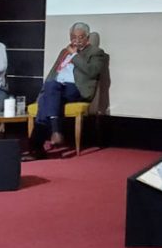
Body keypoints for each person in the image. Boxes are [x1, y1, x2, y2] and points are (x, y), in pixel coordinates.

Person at [27, 22, 109, 159]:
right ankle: (51, 136)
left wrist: (75, 55)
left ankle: (38, 146)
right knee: (49, 90)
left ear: (87, 38)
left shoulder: (96, 52)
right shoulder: (64, 51)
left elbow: (92, 72)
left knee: (48, 98)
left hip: (76, 88)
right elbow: (53, 73)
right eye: (73, 37)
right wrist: (42, 93)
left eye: (80, 37)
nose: (76, 40)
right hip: (57, 87)